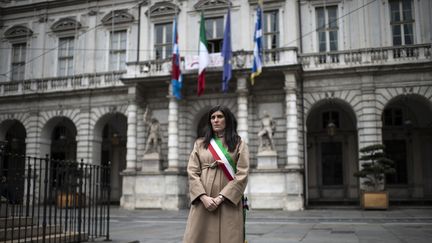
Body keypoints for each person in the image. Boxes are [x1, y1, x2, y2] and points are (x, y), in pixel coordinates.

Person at [183, 105, 249, 243]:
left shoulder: (239, 144)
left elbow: (242, 174)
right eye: (213, 117)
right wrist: (203, 197)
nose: (215, 120)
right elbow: (192, 172)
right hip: (203, 201)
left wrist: (220, 198)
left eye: (220, 117)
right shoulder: (200, 144)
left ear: (227, 120)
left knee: (229, 236)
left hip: (228, 201)